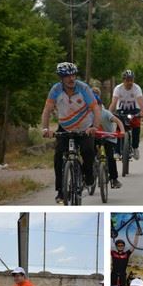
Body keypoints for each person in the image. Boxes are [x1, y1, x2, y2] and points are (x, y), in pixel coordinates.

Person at [41, 62, 100, 203]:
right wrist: (45, 128)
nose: (71, 79)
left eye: (73, 75)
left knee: (88, 150)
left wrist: (95, 127)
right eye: (67, 76)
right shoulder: (55, 90)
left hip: (85, 127)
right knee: (58, 157)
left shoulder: (83, 88)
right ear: (61, 78)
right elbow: (47, 109)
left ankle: (89, 176)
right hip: (65, 128)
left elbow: (95, 109)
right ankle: (61, 191)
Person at [108, 69, 143, 160]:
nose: (129, 82)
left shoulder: (136, 88)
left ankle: (135, 147)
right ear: (123, 80)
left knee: (136, 126)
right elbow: (114, 102)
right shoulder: (118, 88)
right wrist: (109, 114)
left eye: (131, 80)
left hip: (134, 110)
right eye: (127, 80)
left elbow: (141, 101)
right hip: (121, 110)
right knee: (118, 128)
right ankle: (117, 151)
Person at [97, 104, 126, 189]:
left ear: (99, 105)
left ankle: (114, 179)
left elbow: (118, 121)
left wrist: (122, 131)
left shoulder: (106, 113)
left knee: (110, 158)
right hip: (96, 137)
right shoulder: (89, 113)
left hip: (109, 138)